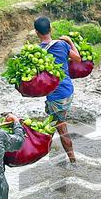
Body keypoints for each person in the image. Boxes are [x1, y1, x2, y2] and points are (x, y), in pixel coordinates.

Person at [34, 16, 79, 163]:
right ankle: (51, 150)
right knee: (54, 122)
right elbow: (77, 58)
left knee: (61, 128)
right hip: (68, 91)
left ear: (36, 33)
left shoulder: (37, 53)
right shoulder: (62, 45)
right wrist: (70, 41)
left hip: (55, 96)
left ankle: (73, 161)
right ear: (50, 29)